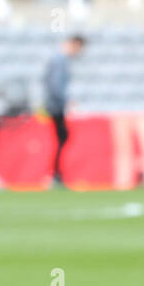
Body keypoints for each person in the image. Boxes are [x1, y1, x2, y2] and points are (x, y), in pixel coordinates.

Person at [43, 35, 85, 186]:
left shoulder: (58, 59)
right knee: (61, 137)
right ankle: (55, 174)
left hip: (54, 104)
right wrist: (66, 100)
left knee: (62, 137)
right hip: (56, 106)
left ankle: (56, 173)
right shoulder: (60, 60)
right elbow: (55, 85)